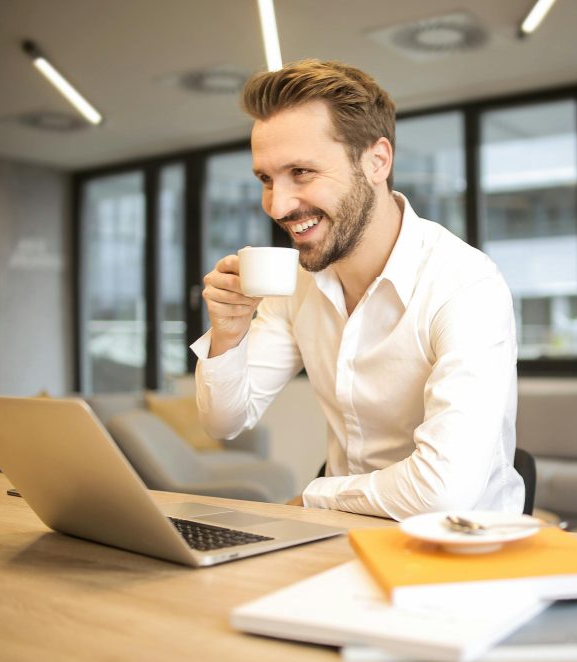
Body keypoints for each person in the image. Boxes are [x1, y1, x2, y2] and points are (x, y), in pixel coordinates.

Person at [191, 59, 522, 520]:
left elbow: (443, 492)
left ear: (376, 161)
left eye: (301, 172)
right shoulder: (299, 284)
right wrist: (228, 333)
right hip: (341, 538)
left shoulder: (465, 284)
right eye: (267, 179)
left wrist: (314, 496)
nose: (278, 205)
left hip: (459, 548)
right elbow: (224, 421)